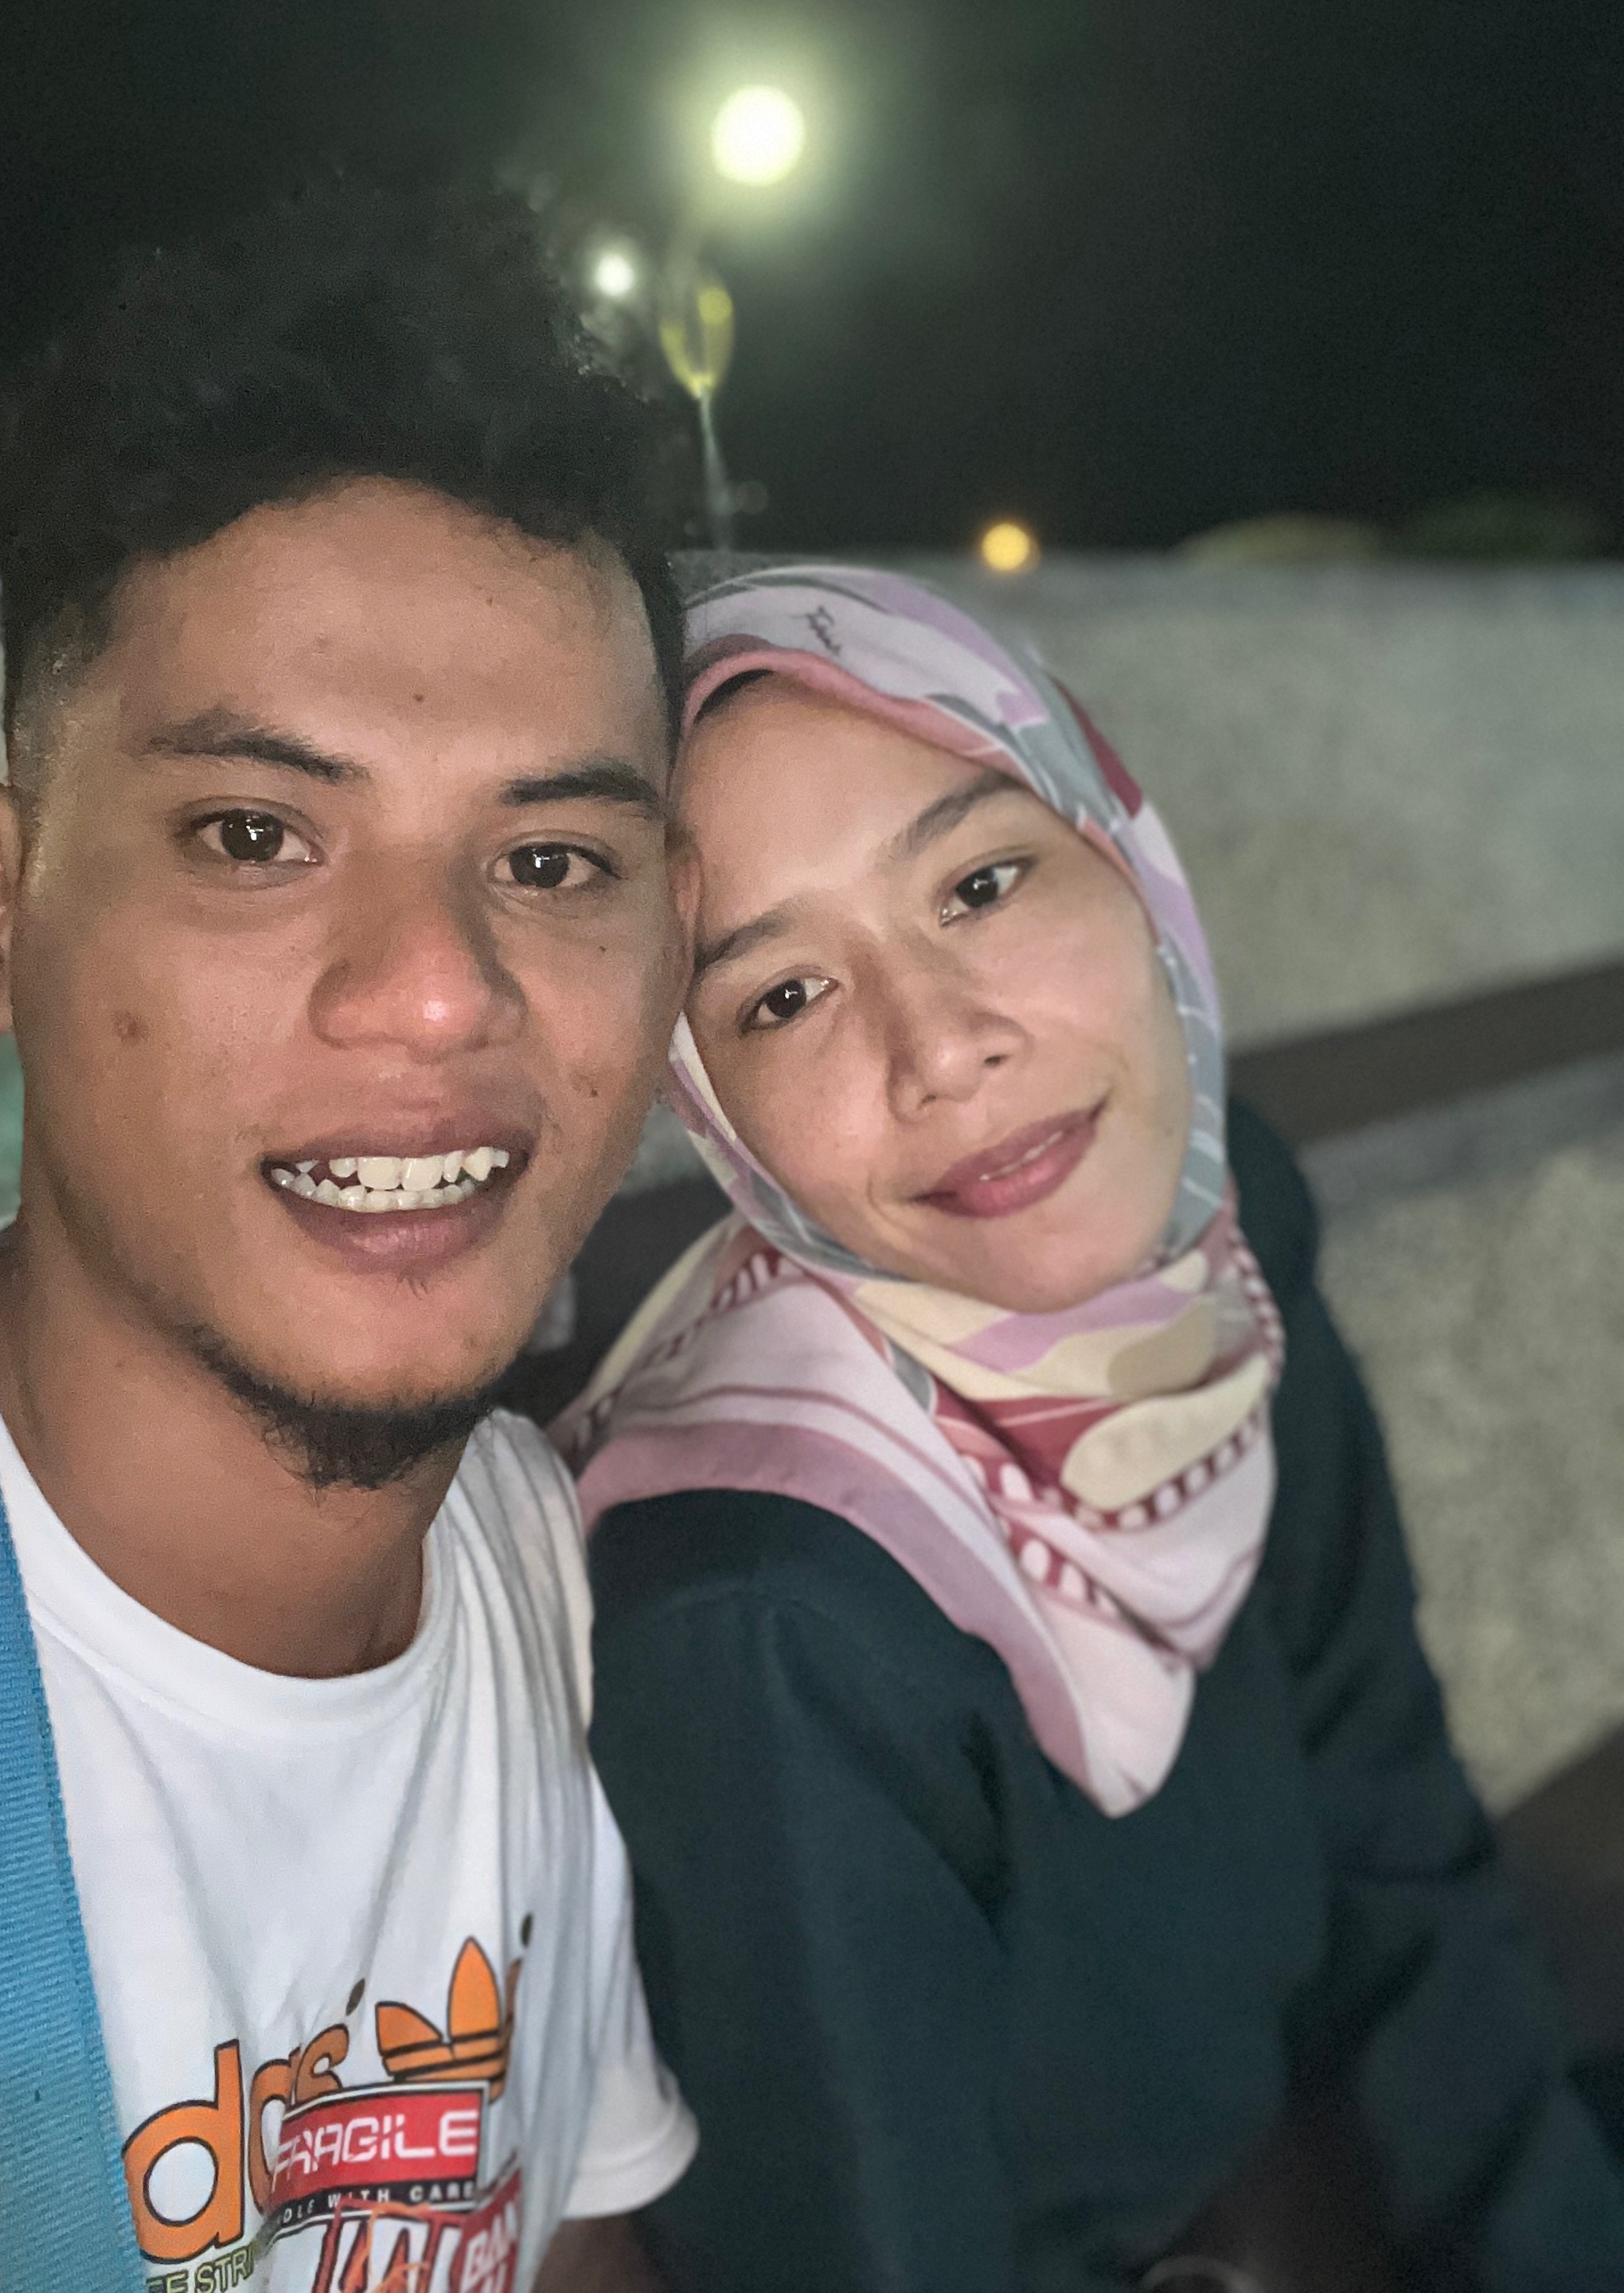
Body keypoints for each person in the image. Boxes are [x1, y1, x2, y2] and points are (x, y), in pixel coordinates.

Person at [0, 186, 701, 2291]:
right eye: (256, 835)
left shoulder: (516, 1559)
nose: (438, 992)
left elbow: (563, 2225)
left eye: (550, 859)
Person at [560, 564, 1624, 2291]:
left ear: (1120, 852)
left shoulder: (1220, 1244)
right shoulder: (761, 1616)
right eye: (781, 996)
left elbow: (1388, 1821)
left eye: (980, 883)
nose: (941, 1046)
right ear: (711, 1109)